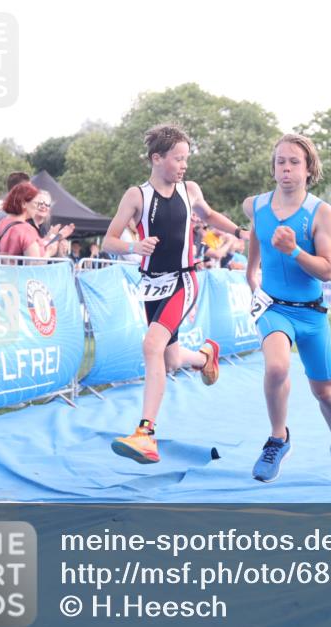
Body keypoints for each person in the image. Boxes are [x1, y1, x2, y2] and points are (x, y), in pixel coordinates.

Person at [102, 123, 247, 464]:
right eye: (178, 159)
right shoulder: (136, 196)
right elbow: (109, 240)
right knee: (168, 359)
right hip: (152, 284)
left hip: (185, 279)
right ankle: (204, 357)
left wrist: (241, 232)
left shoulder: (190, 190)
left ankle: (145, 434)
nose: (184, 166)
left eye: (186, 159)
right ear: (157, 158)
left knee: (151, 345)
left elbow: (209, 216)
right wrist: (133, 245)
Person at [243, 133, 331, 485]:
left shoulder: (321, 212)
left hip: (311, 314)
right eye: (280, 162)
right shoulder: (255, 205)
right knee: (277, 367)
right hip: (274, 307)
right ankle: (278, 439)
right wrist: (250, 270)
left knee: (325, 392)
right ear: (273, 168)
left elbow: (328, 269)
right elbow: (257, 231)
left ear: (309, 170)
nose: (286, 168)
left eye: (294, 162)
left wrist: (293, 250)